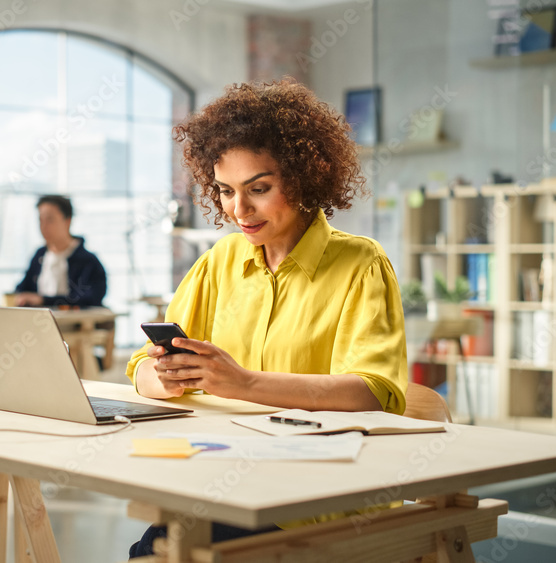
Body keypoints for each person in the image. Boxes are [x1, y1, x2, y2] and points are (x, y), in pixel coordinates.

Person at [125, 79, 408, 558]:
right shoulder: (220, 262)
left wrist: (242, 383)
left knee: (166, 550)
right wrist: (169, 376)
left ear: (303, 177)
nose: (239, 210)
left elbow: (372, 393)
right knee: (156, 546)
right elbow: (140, 369)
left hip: (319, 500)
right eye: (226, 191)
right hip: (230, 483)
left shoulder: (361, 264)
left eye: (259, 189)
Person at [12, 194, 107, 308]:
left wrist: (43, 300)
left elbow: (89, 299)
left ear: (67, 221)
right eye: (40, 220)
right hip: (38, 323)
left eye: (50, 220)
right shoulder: (39, 255)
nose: (44, 226)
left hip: (73, 324)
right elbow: (23, 289)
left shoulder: (88, 261)